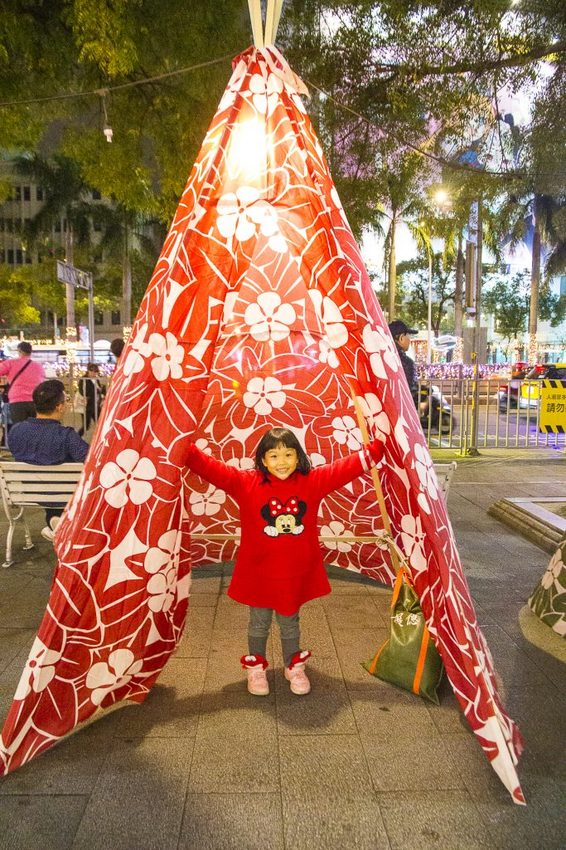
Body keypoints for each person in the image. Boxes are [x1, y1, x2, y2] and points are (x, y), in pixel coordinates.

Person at [179, 426, 383, 697]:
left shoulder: (313, 481)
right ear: (262, 460)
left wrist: (380, 445)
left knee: (290, 623)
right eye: (273, 456)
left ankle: (293, 667)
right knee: (258, 623)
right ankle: (256, 668)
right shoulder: (245, 483)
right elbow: (207, 467)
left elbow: (347, 467)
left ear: (298, 457)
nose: (282, 462)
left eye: (288, 454)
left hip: (293, 574)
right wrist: (180, 440)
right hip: (259, 572)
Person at [8, 379, 89, 541]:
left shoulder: (16, 430)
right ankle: (60, 521)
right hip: (63, 494)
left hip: (30, 493)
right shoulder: (66, 435)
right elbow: (89, 459)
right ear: (59, 406)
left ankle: (53, 520)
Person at [0, 341, 45, 425]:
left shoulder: (11, 363)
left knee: (20, 428)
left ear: (19, 351)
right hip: (35, 400)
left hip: (17, 400)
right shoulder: (39, 366)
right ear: (30, 352)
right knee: (35, 428)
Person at [388, 320, 418, 404]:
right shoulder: (407, 363)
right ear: (401, 338)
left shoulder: (381, 359)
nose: (409, 340)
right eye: (408, 336)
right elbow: (411, 391)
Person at [78, 363, 105, 436]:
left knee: (101, 423)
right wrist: (96, 390)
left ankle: (101, 439)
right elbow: (83, 391)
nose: (94, 373)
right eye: (92, 371)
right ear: (88, 371)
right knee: (86, 426)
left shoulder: (96, 379)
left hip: (96, 405)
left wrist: (101, 391)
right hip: (88, 405)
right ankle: (76, 437)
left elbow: (100, 389)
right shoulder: (84, 379)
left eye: (96, 372)